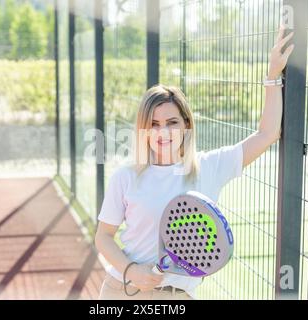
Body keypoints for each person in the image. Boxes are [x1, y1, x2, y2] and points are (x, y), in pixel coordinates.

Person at [95, 25, 294, 300]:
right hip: (122, 291)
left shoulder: (210, 167)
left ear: (186, 125)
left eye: (171, 122)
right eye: (153, 124)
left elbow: (268, 133)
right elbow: (103, 236)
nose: (162, 132)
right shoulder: (126, 177)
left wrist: (273, 75)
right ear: (143, 129)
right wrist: (131, 270)